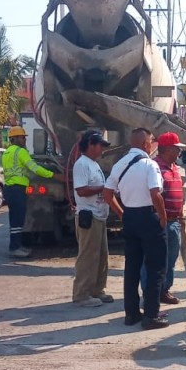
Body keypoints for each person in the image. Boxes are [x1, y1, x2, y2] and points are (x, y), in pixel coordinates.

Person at [103, 128, 169, 330]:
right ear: (146, 144)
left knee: (132, 268)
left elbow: (107, 194)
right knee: (156, 268)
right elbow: (155, 193)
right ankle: (151, 315)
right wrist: (163, 217)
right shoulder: (150, 165)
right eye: (151, 142)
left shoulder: (119, 165)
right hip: (149, 217)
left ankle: (131, 314)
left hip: (130, 217)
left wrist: (122, 213)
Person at [72, 130, 121, 307]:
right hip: (89, 216)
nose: (102, 150)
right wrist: (103, 188)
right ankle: (82, 294)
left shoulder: (93, 164)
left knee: (101, 256)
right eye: (100, 145)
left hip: (99, 216)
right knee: (88, 257)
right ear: (91, 145)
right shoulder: (82, 164)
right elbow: (81, 190)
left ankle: (97, 290)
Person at [2, 126, 63, 258]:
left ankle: (16, 246)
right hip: (17, 189)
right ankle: (15, 247)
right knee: (18, 220)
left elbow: (20, 170)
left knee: (14, 220)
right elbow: (35, 168)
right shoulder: (20, 152)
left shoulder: (7, 152)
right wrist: (53, 175)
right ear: (15, 138)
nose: (24, 140)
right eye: (23, 137)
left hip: (9, 188)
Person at [141, 132, 186, 305]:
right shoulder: (155, 167)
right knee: (153, 261)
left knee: (170, 259)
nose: (179, 153)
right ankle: (149, 294)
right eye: (177, 149)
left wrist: (180, 216)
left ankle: (164, 290)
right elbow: (154, 194)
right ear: (167, 149)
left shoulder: (174, 167)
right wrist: (162, 217)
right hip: (161, 221)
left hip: (174, 221)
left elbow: (178, 194)